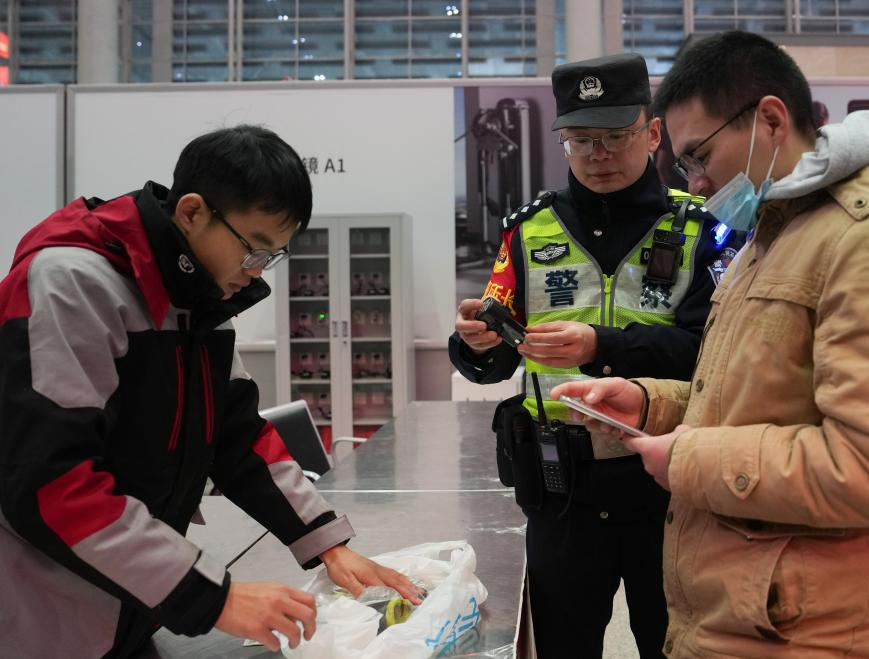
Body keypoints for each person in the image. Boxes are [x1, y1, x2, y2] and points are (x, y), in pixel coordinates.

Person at [553, 31, 869, 657]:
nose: (694, 185)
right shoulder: (775, 235)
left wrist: (687, 459)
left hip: (810, 630)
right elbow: (754, 395)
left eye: (699, 157)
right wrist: (650, 404)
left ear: (769, 120)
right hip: (745, 616)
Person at [0, 125, 421, 658]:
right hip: (46, 616)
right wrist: (213, 598)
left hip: (132, 602)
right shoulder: (70, 284)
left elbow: (238, 436)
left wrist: (327, 545)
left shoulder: (197, 301)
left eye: (271, 257)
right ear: (193, 212)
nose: (255, 273)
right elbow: (49, 484)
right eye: (253, 250)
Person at [450, 53, 739, 658]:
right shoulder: (528, 231)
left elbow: (712, 354)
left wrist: (600, 346)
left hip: (667, 482)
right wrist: (473, 344)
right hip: (561, 488)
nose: (598, 155)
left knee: (674, 645)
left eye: (614, 137)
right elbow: (496, 356)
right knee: (563, 646)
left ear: (652, 133)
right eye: (581, 140)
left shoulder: (700, 229)